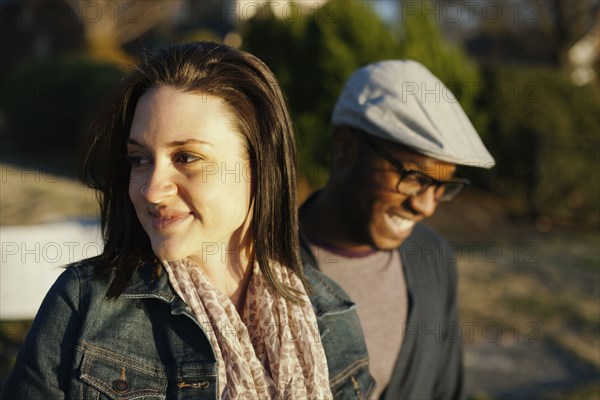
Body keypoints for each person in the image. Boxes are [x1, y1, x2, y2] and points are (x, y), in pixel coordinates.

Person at [2, 42, 335, 399]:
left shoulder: (330, 318)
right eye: (139, 158)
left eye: (187, 157)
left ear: (259, 166)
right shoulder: (84, 305)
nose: (151, 190)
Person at [299, 60, 496, 399]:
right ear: (345, 146)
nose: (426, 206)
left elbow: (447, 390)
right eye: (415, 178)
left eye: (442, 187)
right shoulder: (260, 267)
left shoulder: (432, 258)